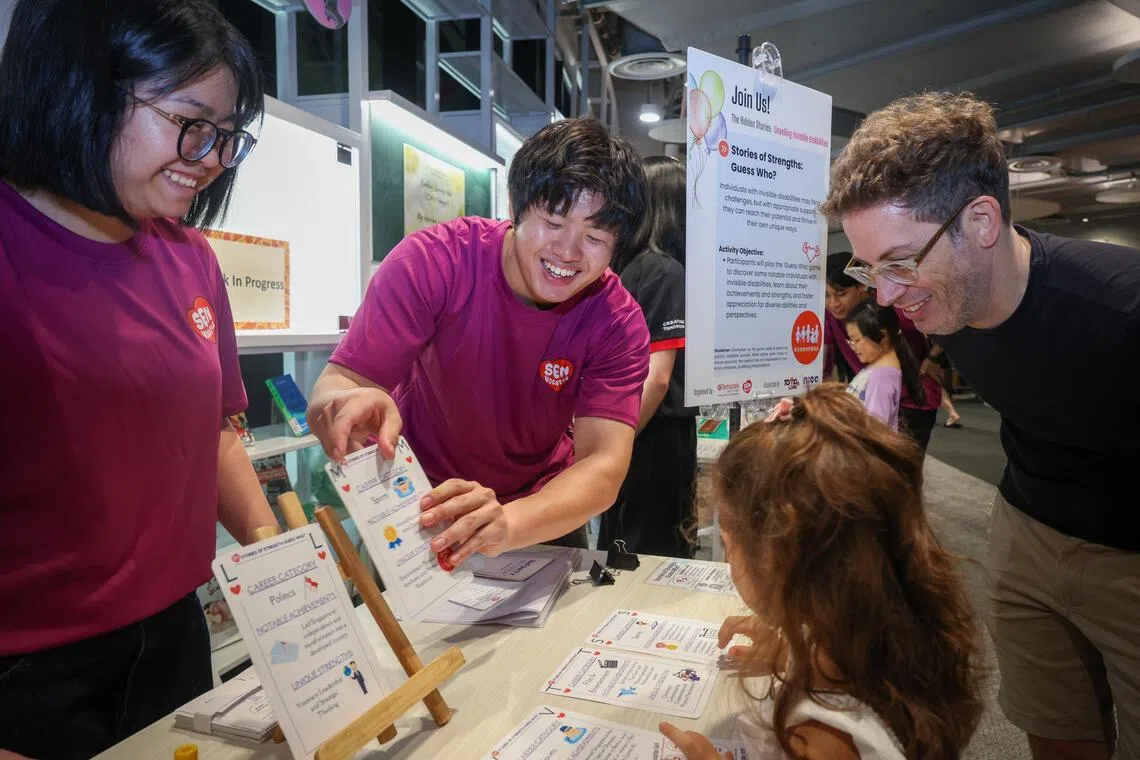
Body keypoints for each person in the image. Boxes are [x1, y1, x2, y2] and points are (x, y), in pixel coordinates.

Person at [823, 91, 1140, 760]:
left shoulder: (1118, 311)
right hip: (1026, 528)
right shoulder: (941, 302)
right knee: (1053, 724)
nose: (884, 295)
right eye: (869, 267)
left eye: (901, 262)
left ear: (983, 221)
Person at [0, 1, 278, 758]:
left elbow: (215, 431)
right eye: (190, 122)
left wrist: (278, 565)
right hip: (29, 679)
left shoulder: (190, 259)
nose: (211, 157)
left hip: (174, 639)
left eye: (225, 136)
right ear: (80, 86)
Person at [306, 118, 649, 569]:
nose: (568, 252)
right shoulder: (434, 262)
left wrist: (508, 523)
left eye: (594, 237)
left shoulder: (616, 320)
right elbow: (334, 389)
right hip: (419, 509)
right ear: (516, 206)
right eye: (552, 222)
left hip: (541, 514)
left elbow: (602, 466)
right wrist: (349, 406)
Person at [660, 385, 982, 759]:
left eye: (730, 546)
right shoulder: (887, 640)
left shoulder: (819, 738)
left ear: (777, 561)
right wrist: (793, 648)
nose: (728, 560)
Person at [596, 155, 696, 558]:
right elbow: (657, 378)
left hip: (624, 422)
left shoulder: (628, 268)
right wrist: (614, 446)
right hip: (650, 433)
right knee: (653, 550)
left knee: (621, 543)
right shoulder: (665, 271)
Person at [823, 252, 942, 450]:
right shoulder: (833, 317)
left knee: (900, 470)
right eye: (827, 295)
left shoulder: (889, 309)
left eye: (841, 293)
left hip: (913, 401)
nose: (833, 303)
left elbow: (944, 328)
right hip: (874, 396)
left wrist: (934, 359)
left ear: (861, 285)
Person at [843, 301, 926, 433]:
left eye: (857, 340)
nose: (853, 346)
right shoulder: (880, 370)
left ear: (883, 336)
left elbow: (875, 432)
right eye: (850, 340)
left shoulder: (881, 377)